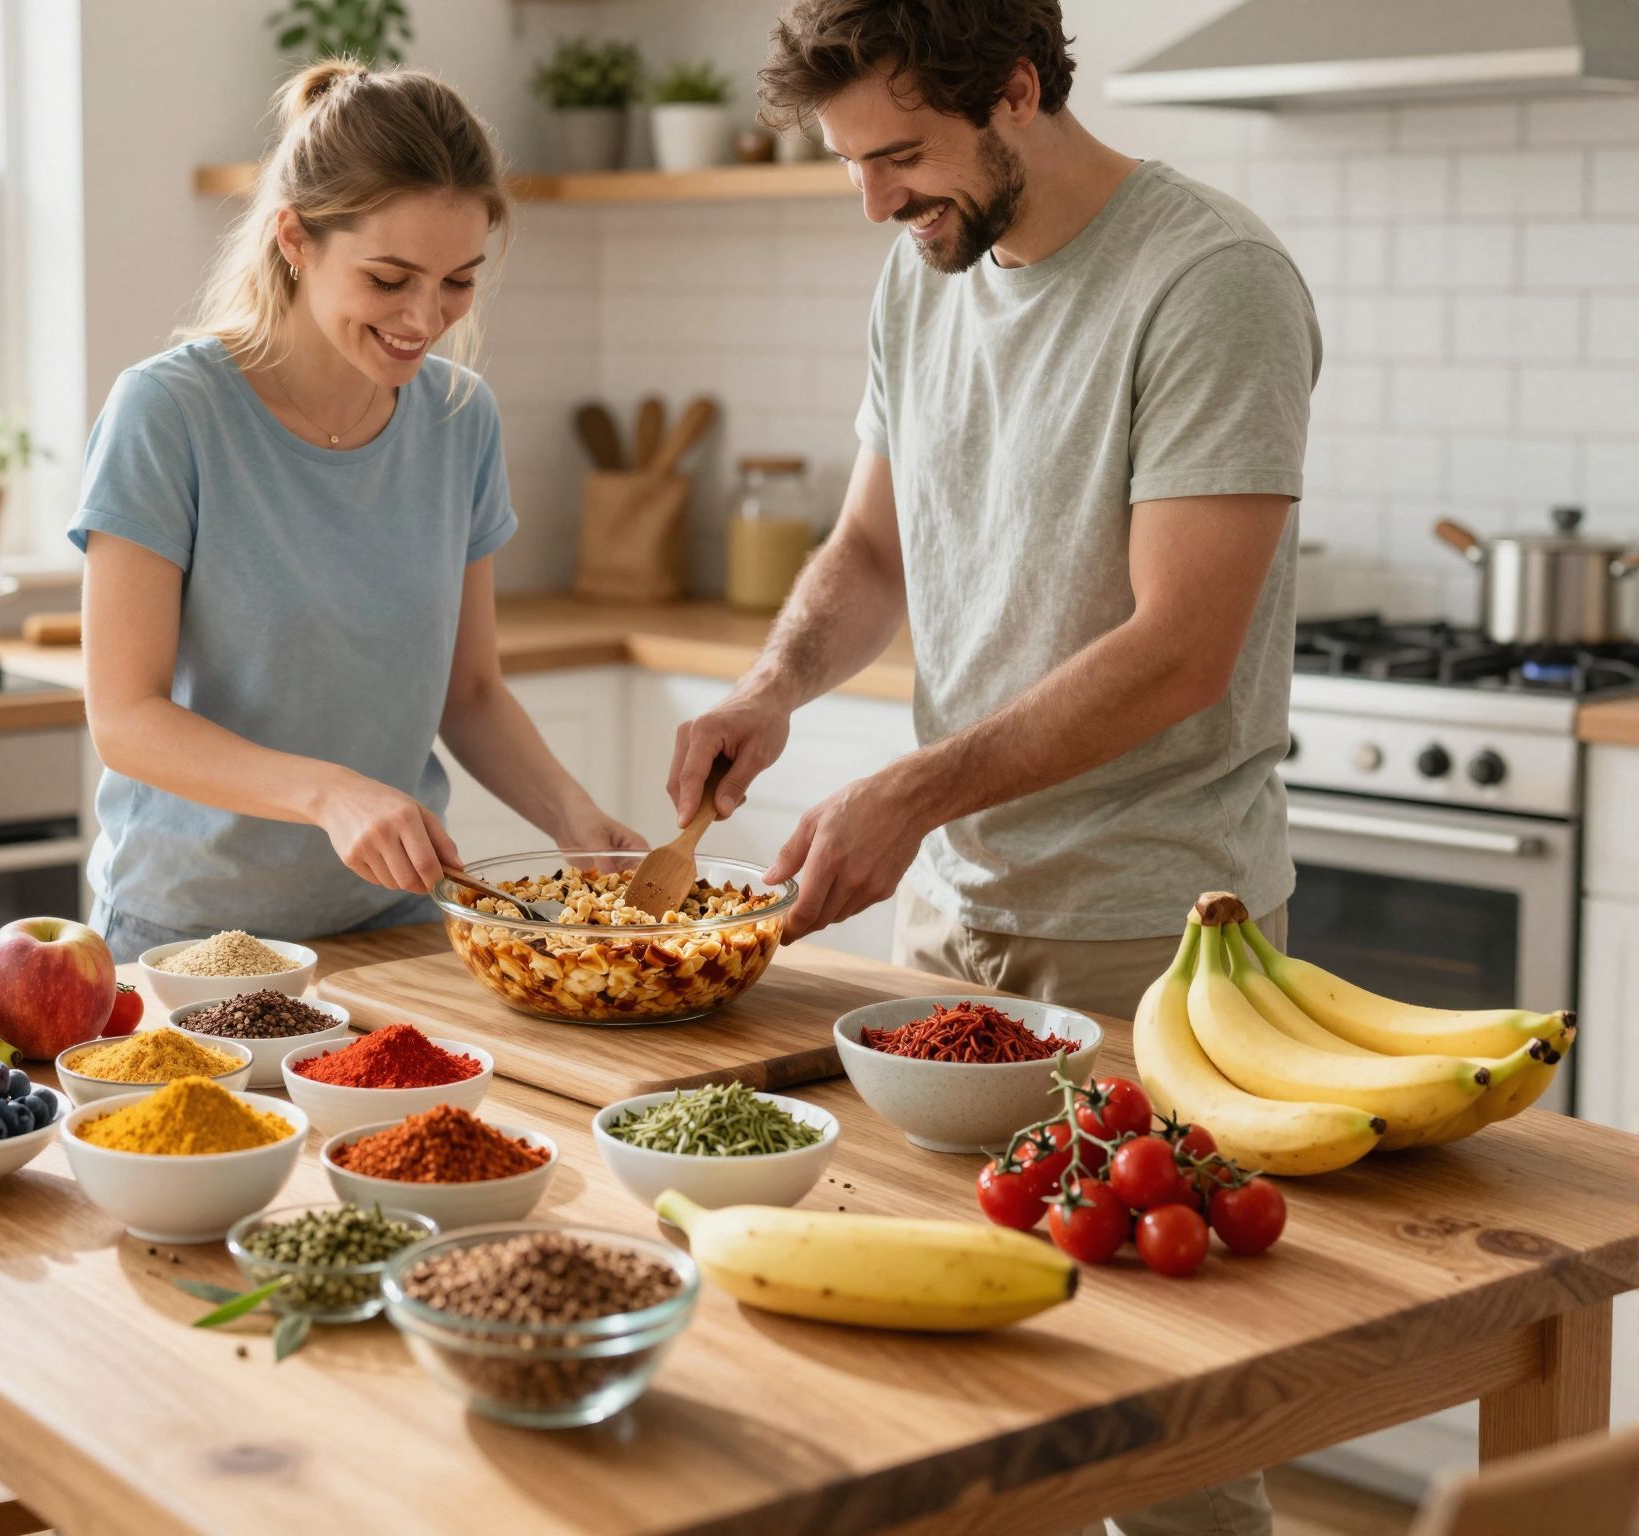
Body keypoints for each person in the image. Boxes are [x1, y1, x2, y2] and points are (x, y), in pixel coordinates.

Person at [664, 4, 1320, 1534]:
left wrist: (911, 789)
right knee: (950, 1380)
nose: (878, 201)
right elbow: (874, 547)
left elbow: (1182, 649)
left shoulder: (1209, 281)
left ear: (1016, 93)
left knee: (1168, 1427)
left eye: (900, 155)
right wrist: (773, 687)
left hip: (1149, 937)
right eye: (851, 164)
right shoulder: (923, 273)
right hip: (954, 927)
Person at [74, 60, 637, 962]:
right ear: (295, 239)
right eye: (389, 279)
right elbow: (127, 717)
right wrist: (331, 793)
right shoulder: (169, 414)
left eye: (458, 281)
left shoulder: (459, 419)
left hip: (396, 923)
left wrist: (577, 818)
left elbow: (472, 691)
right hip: (193, 934)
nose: (425, 316)